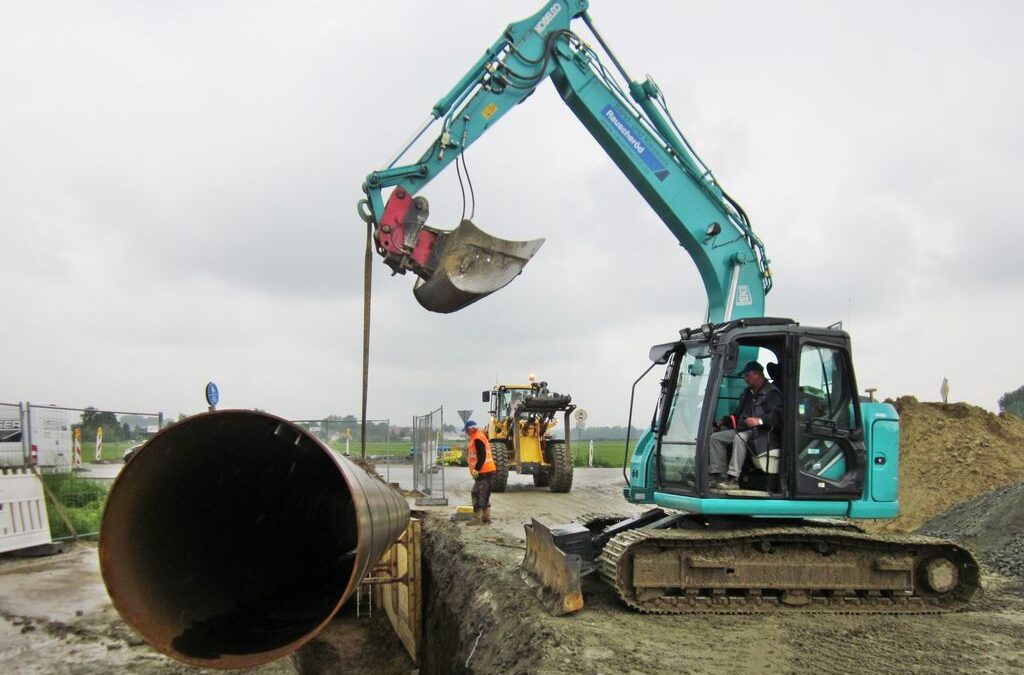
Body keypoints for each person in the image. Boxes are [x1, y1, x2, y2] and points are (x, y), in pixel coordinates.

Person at [709, 361, 782, 491]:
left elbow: (778, 417)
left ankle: (733, 479)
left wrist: (759, 421)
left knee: (740, 438)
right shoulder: (748, 393)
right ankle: (718, 475)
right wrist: (724, 421)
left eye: (747, 375)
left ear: (758, 374)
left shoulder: (772, 393)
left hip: (762, 433)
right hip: (744, 429)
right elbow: (738, 415)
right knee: (715, 438)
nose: (745, 379)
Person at [463, 420, 496, 525]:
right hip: (487, 470)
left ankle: (477, 518)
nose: (466, 433)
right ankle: (486, 518)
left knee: (476, 493)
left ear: (471, 429)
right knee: (484, 494)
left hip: (483, 471)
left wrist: (476, 469)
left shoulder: (477, 438)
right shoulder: (478, 436)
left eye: (467, 430)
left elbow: (482, 456)